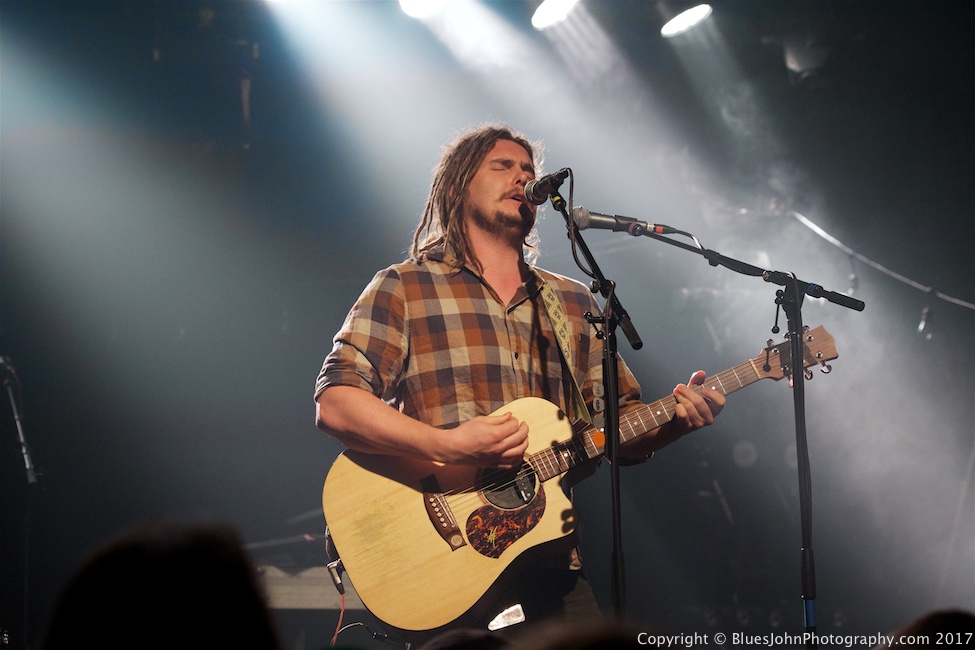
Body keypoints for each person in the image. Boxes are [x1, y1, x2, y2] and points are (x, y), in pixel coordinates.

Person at [314, 123, 725, 641]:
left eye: (528, 170)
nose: (523, 177)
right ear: (458, 185)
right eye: (502, 166)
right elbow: (336, 402)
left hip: (549, 565)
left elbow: (614, 429)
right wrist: (448, 444)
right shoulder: (407, 286)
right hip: (443, 568)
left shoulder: (573, 301)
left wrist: (673, 425)